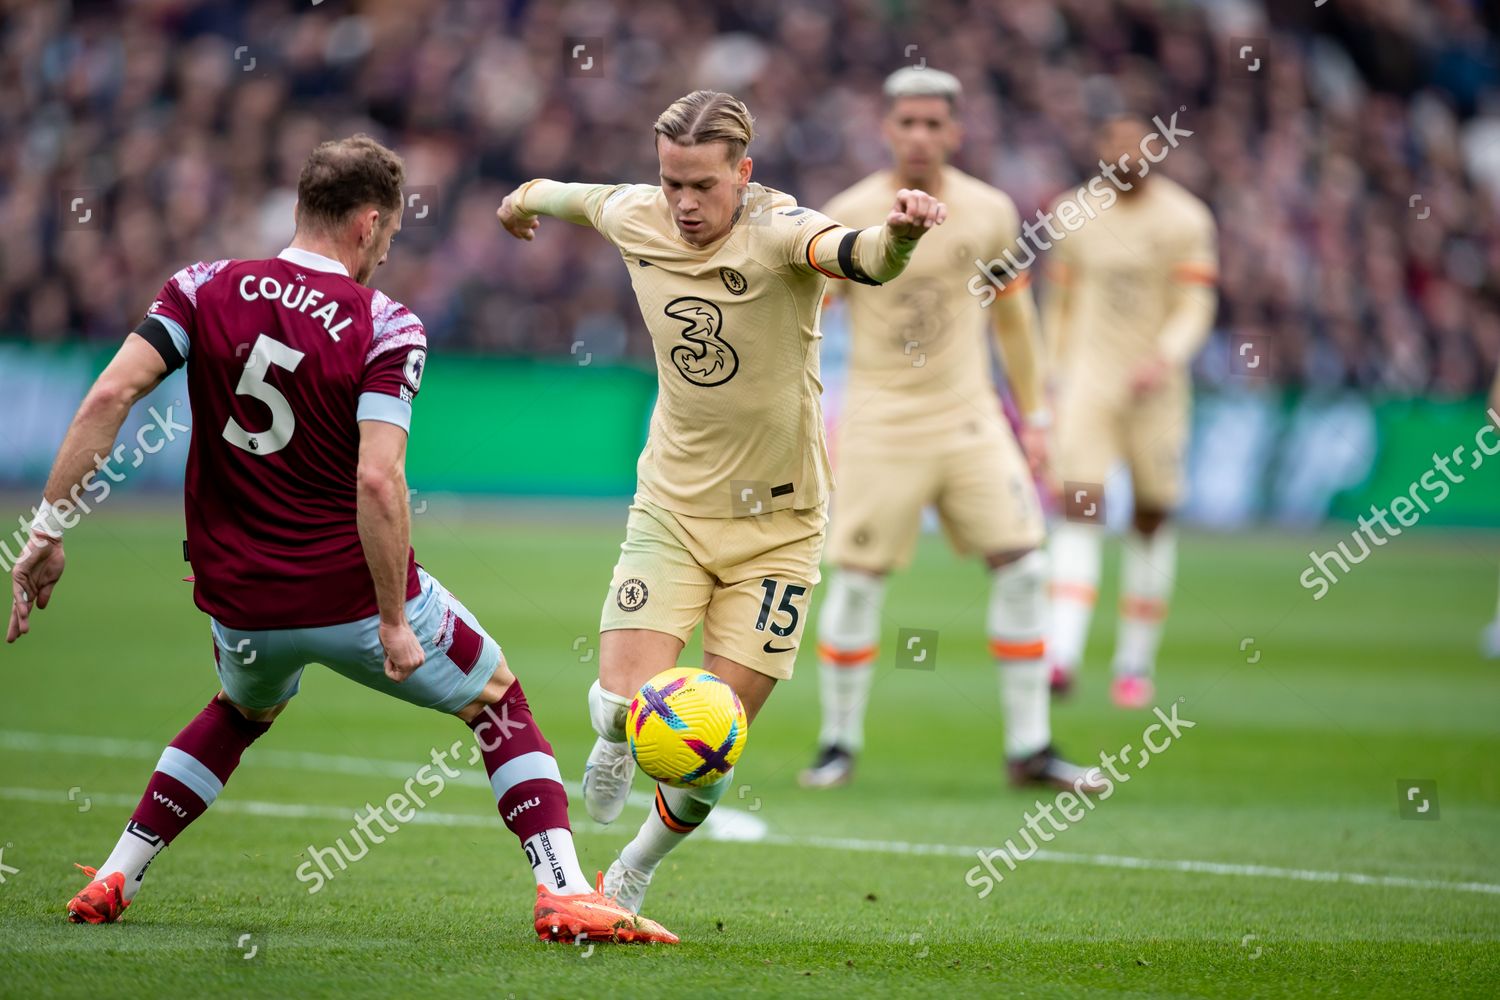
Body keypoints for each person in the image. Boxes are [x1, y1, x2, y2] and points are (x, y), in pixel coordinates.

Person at [7, 134, 675, 944]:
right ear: (366, 223)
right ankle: (565, 889)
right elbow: (377, 480)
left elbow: (111, 393)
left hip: (238, 600)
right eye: (388, 239)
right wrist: (393, 618)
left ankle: (118, 870)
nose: (385, 256)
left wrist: (47, 529)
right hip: (348, 593)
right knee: (500, 701)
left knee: (239, 712)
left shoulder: (199, 286)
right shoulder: (385, 324)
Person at [494, 89, 945, 913]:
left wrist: (904, 234)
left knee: (710, 743)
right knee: (621, 707)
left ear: (744, 171)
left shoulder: (780, 232)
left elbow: (863, 254)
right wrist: (520, 203)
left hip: (779, 527)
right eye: (672, 183)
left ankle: (631, 870)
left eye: (703, 184)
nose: (685, 203)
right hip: (672, 505)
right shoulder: (636, 213)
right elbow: (560, 194)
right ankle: (616, 741)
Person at [799, 68, 1103, 794]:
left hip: (969, 417)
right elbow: (810, 321)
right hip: (880, 421)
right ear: (887, 127)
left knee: (1026, 566)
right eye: (908, 121)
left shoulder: (992, 210)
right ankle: (838, 741)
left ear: (956, 132)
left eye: (934, 123)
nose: (920, 135)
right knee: (858, 582)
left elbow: (1014, 321)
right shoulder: (847, 211)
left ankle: (1030, 748)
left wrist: (1034, 417)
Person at [1044, 114, 1218, 708]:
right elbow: (1061, 304)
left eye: (1135, 141)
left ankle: (1134, 662)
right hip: (1089, 386)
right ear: (1099, 147)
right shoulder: (1075, 213)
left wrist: (1164, 357)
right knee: (1079, 507)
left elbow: (1196, 304)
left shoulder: (1186, 218)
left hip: (1156, 391)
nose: (1124, 153)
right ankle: (1061, 656)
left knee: (1151, 516)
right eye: (1112, 140)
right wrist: (1053, 373)